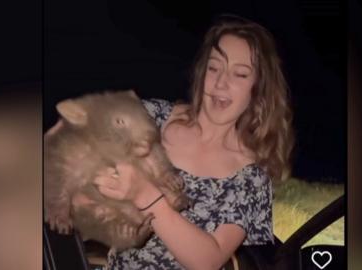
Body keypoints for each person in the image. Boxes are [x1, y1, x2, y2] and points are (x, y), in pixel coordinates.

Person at [50, 14, 294, 269]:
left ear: (258, 90)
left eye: (240, 74)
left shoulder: (252, 177)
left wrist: (146, 194)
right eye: (214, 67)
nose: (221, 82)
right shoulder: (151, 117)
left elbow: (208, 260)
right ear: (202, 72)